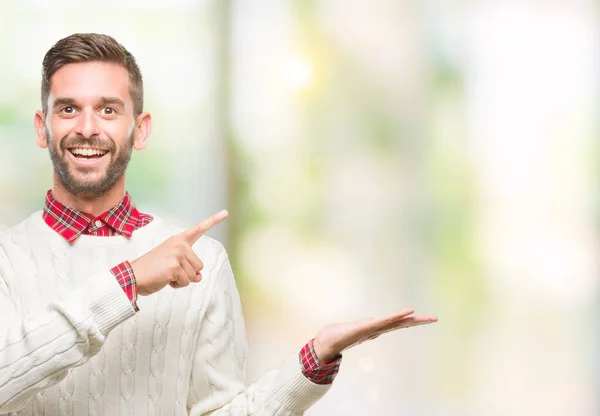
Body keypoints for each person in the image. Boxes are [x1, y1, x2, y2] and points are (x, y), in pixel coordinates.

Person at [0, 33, 437, 415]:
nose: (88, 127)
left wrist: (315, 359)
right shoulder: (7, 259)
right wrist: (127, 281)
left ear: (141, 129)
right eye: (69, 109)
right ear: (43, 127)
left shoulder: (201, 261)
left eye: (109, 110)